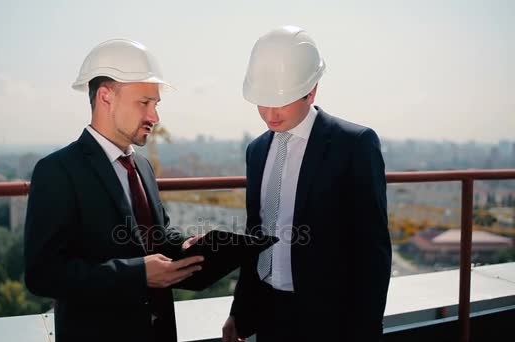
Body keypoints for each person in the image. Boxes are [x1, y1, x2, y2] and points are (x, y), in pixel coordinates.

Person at [24, 39, 203, 342]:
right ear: (106, 97)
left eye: (156, 104)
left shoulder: (143, 167)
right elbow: (43, 275)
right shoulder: (57, 171)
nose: (154, 117)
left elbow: (153, 239)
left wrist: (188, 247)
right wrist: (138, 275)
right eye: (144, 103)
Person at [222, 25, 392, 341]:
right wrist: (239, 312)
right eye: (262, 101)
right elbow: (256, 236)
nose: (269, 113)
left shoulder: (353, 145)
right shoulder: (256, 150)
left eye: (280, 101)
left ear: (311, 90)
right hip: (268, 315)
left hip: (329, 320)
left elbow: (373, 251)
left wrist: (366, 331)